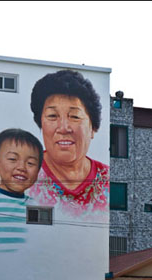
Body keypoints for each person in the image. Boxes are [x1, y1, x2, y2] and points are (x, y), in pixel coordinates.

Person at [27, 70, 109, 220]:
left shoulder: (108, 181)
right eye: (52, 116)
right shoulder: (23, 175)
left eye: (74, 117)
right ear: (41, 125)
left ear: (93, 128)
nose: (63, 128)